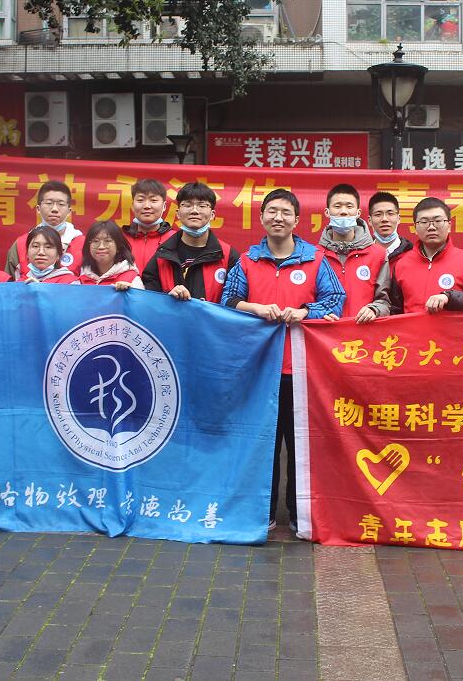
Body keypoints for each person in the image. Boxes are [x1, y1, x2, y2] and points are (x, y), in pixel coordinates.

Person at [222, 188, 345, 531]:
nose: (278, 218)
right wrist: (255, 308)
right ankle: (264, 512)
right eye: (272, 211)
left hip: (303, 368)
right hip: (259, 368)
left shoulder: (316, 259)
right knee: (263, 442)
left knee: (301, 443)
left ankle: (298, 513)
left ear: (296, 219)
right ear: (261, 217)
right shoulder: (248, 261)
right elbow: (227, 299)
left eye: (285, 212)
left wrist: (305, 311)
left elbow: (335, 299)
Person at [386, 197, 463, 315]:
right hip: (412, 327)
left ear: (449, 225)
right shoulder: (402, 264)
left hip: (454, 328)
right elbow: (394, 310)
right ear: (415, 228)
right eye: (424, 222)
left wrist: (450, 298)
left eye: (438, 221)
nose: (431, 227)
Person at [143, 182, 240, 301]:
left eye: (202, 206)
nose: (194, 211)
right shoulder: (162, 255)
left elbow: (234, 300)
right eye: (187, 205)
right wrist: (168, 298)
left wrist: (206, 307)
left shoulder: (228, 256)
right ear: (178, 213)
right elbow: (149, 298)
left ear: (212, 214)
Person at [317, 184, 391, 324]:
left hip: (363, 333)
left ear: (358, 212)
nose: (343, 212)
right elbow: (308, 300)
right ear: (327, 212)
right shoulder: (315, 255)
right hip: (325, 334)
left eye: (349, 206)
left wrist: (374, 309)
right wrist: (318, 312)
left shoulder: (378, 255)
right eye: (337, 206)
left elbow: (385, 301)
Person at [5, 181, 85, 279]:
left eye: (61, 204)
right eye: (49, 203)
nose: (54, 209)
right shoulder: (21, 244)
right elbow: (8, 284)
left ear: (69, 211)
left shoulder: (83, 244)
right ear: (38, 208)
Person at [122, 178, 176, 273]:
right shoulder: (120, 239)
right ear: (132, 206)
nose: (147, 206)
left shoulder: (175, 239)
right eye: (140, 200)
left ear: (164, 206)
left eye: (153, 200)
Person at [78, 220, 145, 290]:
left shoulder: (131, 279)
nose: (101, 247)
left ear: (118, 246)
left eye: (107, 241)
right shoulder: (81, 280)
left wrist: (131, 291)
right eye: (95, 241)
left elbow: (139, 297)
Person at [368, 191, 412, 260]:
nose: (384, 219)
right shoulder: (362, 254)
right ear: (370, 220)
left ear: (398, 218)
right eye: (378, 214)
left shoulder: (411, 254)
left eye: (390, 214)